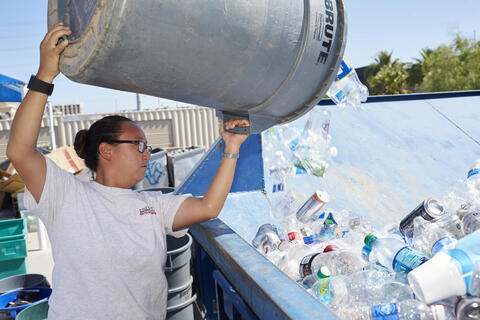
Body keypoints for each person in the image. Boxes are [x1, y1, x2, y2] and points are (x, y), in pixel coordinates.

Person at [6, 23, 250, 320]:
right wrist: (45, 76)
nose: (147, 153)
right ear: (106, 150)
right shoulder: (65, 195)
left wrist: (232, 147)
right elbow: (20, 151)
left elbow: (209, 207)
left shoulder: (153, 206)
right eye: (139, 145)